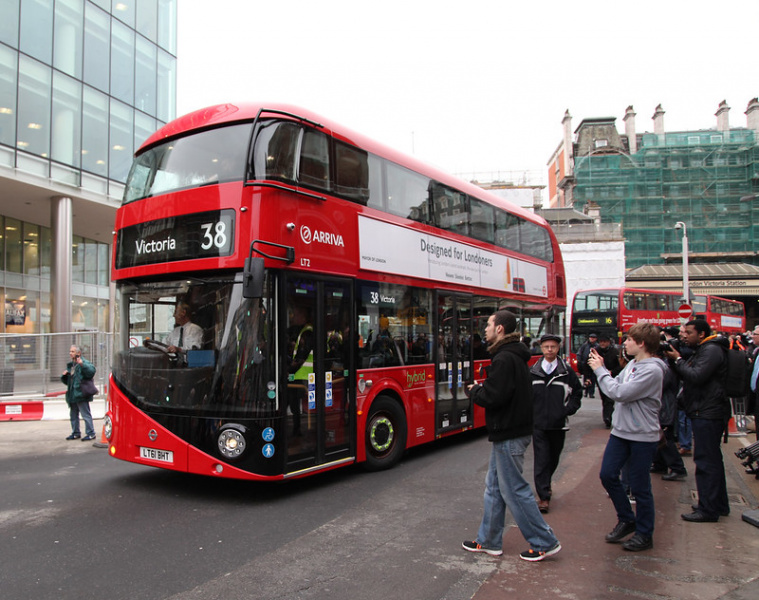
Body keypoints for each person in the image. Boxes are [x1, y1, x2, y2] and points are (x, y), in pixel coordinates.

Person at [462, 310, 561, 562]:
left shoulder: (504, 359)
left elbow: (495, 396)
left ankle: (544, 541)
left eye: (488, 324)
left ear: (500, 330)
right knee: (494, 488)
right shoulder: (513, 355)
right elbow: (506, 392)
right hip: (509, 432)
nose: (484, 328)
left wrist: (475, 391)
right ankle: (489, 540)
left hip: (509, 433)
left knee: (514, 489)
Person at [589, 322, 666, 552]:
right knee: (608, 474)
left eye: (630, 340)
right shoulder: (632, 364)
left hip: (642, 435)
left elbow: (619, 393)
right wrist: (606, 375)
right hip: (621, 432)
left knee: (640, 487)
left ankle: (644, 533)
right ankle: (627, 518)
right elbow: (615, 387)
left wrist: (600, 370)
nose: (625, 343)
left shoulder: (652, 370)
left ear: (642, 343)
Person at [665, 319, 731, 522]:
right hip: (706, 410)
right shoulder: (705, 349)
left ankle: (708, 509)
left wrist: (678, 360)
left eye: (688, 332)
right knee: (712, 460)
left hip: (707, 412)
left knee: (705, 462)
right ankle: (717, 504)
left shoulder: (710, 351)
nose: (683, 335)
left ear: (701, 334)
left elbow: (696, 376)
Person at [530, 333, 583, 513]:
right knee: (541, 459)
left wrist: (566, 411)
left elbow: (577, 394)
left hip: (558, 424)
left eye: (553, 347)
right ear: (541, 348)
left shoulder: (567, 372)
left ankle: (546, 483)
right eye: (546, 347)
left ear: (558, 348)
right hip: (538, 425)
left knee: (553, 458)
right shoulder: (532, 371)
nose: (549, 350)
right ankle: (544, 496)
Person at [61, 345, 97, 441]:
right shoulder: (71, 365)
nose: (70, 353)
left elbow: (91, 372)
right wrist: (65, 376)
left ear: (78, 353)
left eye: (72, 351)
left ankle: (91, 433)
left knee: (85, 414)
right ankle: (76, 432)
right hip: (73, 394)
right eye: (70, 351)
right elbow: (69, 382)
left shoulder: (84, 363)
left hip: (81, 393)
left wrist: (82, 365)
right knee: (73, 415)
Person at [595, 334, 622, 427]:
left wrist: (612, 371)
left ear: (608, 342)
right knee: (604, 397)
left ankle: (608, 417)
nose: (602, 343)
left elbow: (620, 366)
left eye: (604, 342)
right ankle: (607, 415)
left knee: (609, 399)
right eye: (601, 342)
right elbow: (588, 363)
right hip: (600, 378)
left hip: (613, 378)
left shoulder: (614, 352)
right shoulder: (596, 351)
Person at [577, 333, 598, 398]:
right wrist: (580, 361)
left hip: (594, 364)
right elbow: (579, 353)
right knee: (586, 378)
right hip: (585, 365)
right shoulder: (584, 346)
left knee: (593, 379)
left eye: (593, 338)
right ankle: (586, 392)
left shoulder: (597, 346)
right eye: (591, 337)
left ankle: (591, 393)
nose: (592, 339)